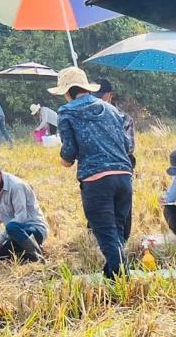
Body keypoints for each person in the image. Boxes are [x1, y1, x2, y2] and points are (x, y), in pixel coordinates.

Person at [51, 66, 136, 279]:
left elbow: (69, 152)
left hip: (96, 181)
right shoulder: (112, 110)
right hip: (124, 176)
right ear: (87, 88)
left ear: (68, 92)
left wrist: (65, 159)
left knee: (106, 234)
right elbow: (128, 145)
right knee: (116, 231)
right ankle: (112, 273)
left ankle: (121, 281)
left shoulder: (67, 112)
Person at [0, 156, 48, 263]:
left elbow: (21, 217)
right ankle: (27, 254)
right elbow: (9, 210)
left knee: (12, 227)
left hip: (32, 230)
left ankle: (36, 254)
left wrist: (0, 238)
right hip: (15, 234)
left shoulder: (16, 186)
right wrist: (2, 215)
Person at [94, 78, 136, 164]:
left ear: (109, 96)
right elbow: (130, 148)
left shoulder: (87, 117)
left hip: (96, 166)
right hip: (120, 166)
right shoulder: (125, 118)